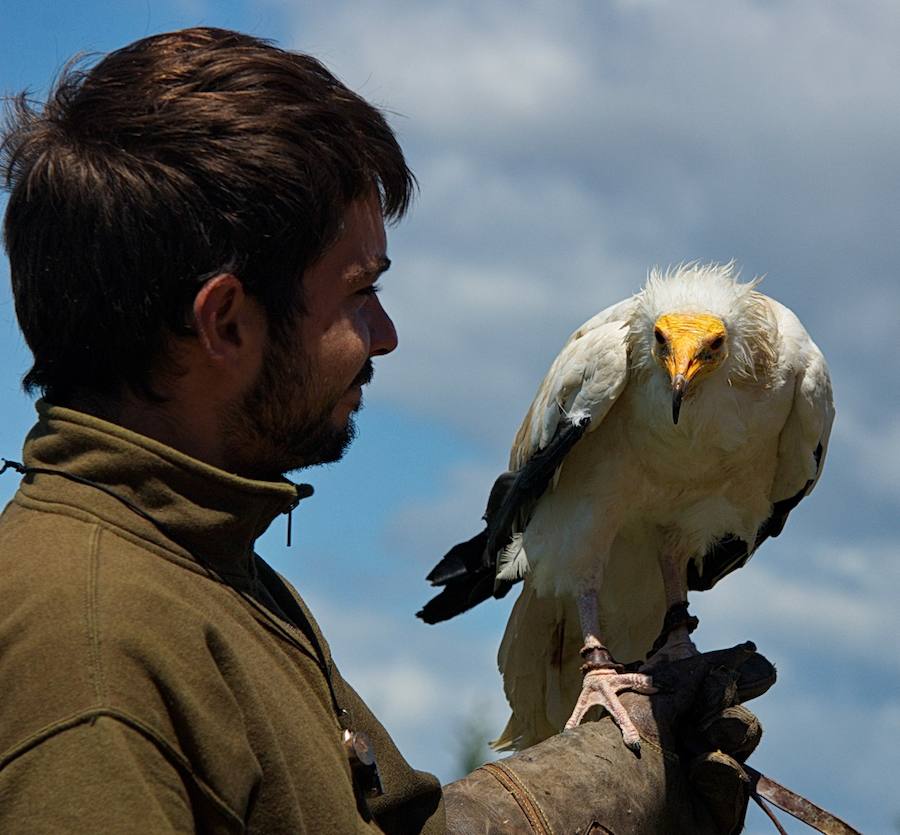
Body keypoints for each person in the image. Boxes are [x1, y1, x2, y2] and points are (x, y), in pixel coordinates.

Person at [0, 27, 771, 833]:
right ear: (226, 322)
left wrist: (610, 780)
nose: (387, 332)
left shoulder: (210, 569)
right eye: (358, 293)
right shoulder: (90, 663)